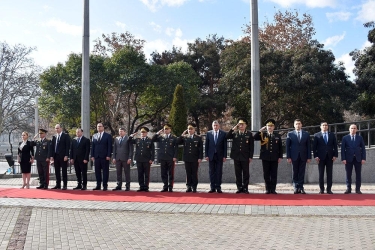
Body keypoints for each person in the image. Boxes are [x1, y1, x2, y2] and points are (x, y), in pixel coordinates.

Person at [253, 119, 283, 194]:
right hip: (265, 157)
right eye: (268, 126)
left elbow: (280, 147)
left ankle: (273, 189)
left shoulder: (277, 136)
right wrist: (260, 130)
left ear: (274, 127)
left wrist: (280, 157)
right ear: (266, 127)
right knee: (266, 173)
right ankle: (267, 189)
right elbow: (254, 137)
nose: (270, 127)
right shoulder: (263, 135)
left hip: (274, 157)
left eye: (271, 126)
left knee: (274, 174)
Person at [226, 118, 254, 194]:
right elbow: (227, 136)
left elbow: (251, 146)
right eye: (239, 124)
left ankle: (245, 188)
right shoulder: (235, 133)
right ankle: (239, 187)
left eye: (242, 124)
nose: (241, 126)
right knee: (237, 173)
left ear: (246, 125)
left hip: (245, 156)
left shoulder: (249, 134)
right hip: (236, 156)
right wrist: (233, 129)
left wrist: (250, 156)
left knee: (246, 173)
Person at [286, 119, 311, 194]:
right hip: (294, 156)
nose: (298, 125)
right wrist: (288, 157)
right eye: (296, 124)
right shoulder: (290, 134)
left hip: (303, 156)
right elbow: (288, 146)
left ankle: (301, 186)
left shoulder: (306, 134)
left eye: (299, 124)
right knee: (295, 171)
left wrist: (309, 157)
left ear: (301, 125)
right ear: (294, 125)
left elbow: (308, 146)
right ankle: (295, 187)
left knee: (302, 172)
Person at [312, 122, 338, 194]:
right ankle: (321, 189)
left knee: (329, 174)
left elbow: (335, 146)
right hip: (320, 157)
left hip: (330, 157)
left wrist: (335, 155)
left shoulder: (332, 135)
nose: (324, 126)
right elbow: (314, 147)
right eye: (323, 125)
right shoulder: (317, 135)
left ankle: (329, 189)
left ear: (328, 126)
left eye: (326, 125)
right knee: (321, 174)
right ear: (320, 127)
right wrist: (316, 156)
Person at [152, 124, 178, 192]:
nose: (165, 130)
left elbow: (176, 148)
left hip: (170, 157)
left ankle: (170, 186)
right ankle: (165, 186)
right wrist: (157, 133)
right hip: (163, 157)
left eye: (167, 129)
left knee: (170, 173)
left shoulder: (173, 138)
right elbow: (153, 139)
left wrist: (175, 156)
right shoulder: (161, 137)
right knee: (163, 173)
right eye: (164, 129)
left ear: (170, 130)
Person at [341, 124, 366, 194]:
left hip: (358, 158)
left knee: (358, 174)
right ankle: (348, 188)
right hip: (348, 159)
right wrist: (343, 158)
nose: (353, 129)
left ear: (357, 129)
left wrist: (363, 158)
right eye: (352, 128)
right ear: (349, 129)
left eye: (354, 128)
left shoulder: (360, 138)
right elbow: (343, 149)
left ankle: (358, 189)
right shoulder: (345, 138)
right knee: (348, 174)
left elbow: (363, 148)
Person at [178, 124, 203, 193]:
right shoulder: (185, 137)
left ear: (194, 130)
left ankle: (194, 186)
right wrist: (182, 135)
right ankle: (188, 186)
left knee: (194, 173)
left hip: (195, 158)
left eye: (191, 129)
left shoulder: (198, 138)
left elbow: (200, 149)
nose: (190, 131)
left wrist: (200, 157)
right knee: (188, 173)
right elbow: (178, 142)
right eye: (189, 129)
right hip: (187, 158)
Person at [205, 120, 227, 193]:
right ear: (212, 126)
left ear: (219, 126)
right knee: (211, 172)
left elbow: (225, 146)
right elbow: (206, 145)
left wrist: (224, 156)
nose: (215, 127)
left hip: (219, 156)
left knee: (219, 172)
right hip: (211, 156)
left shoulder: (223, 134)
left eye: (216, 125)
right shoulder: (209, 133)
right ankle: (212, 187)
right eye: (214, 125)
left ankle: (218, 187)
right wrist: (206, 155)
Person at [129, 127, 154, 192]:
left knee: (146, 174)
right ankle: (141, 186)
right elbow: (129, 141)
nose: (142, 133)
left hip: (147, 159)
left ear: (146, 133)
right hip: (139, 159)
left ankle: (146, 187)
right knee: (140, 173)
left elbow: (153, 151)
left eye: (144, 132)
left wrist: (152, 159)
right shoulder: (137, 140)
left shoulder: (149, 140)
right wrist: (131, 136)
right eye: (142, 132)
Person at [91, 123, 112, 191]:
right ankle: (98, 185)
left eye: (100, 126)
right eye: (98, 126)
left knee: (105, 171)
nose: (99, 128)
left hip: (104, 156)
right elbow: (93, 147)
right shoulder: (94, 136)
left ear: (103, 127)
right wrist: (92, 155)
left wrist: (109, 155)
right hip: (96, 157)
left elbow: (109, 146)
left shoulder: (107, 136)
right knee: (97, 171)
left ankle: (105, 185)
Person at [49, 124, 70, 190]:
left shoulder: (65, 136)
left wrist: (66, 155)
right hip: (56, 156)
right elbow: (52, 147)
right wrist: (51, 156)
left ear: (61, 128)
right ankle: (58, 185)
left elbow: (67, 146)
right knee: (57, 171)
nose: (56, 129)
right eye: (55, 128)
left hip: (63, 156)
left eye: (58, 128)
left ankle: (65, 185)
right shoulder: (54, 137)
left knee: (64, 171)